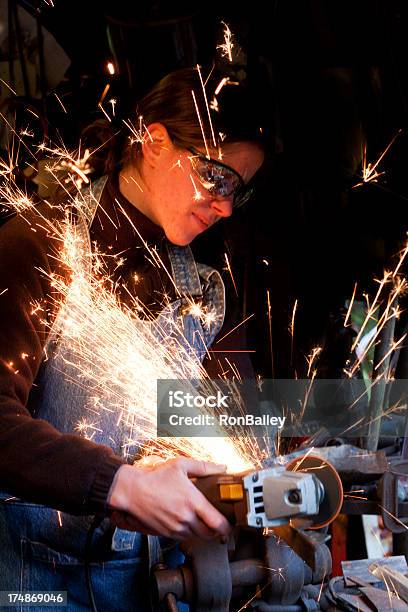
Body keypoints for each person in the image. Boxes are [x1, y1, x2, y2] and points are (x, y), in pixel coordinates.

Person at [0, 67, 264, 610]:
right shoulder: (39, 246)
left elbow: (227, 426)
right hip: (38, 583)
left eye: (240, 190)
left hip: (161, 584)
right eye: (217, 180)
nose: (225, 207)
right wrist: (119, 484)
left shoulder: (207, 294)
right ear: (154, 141)